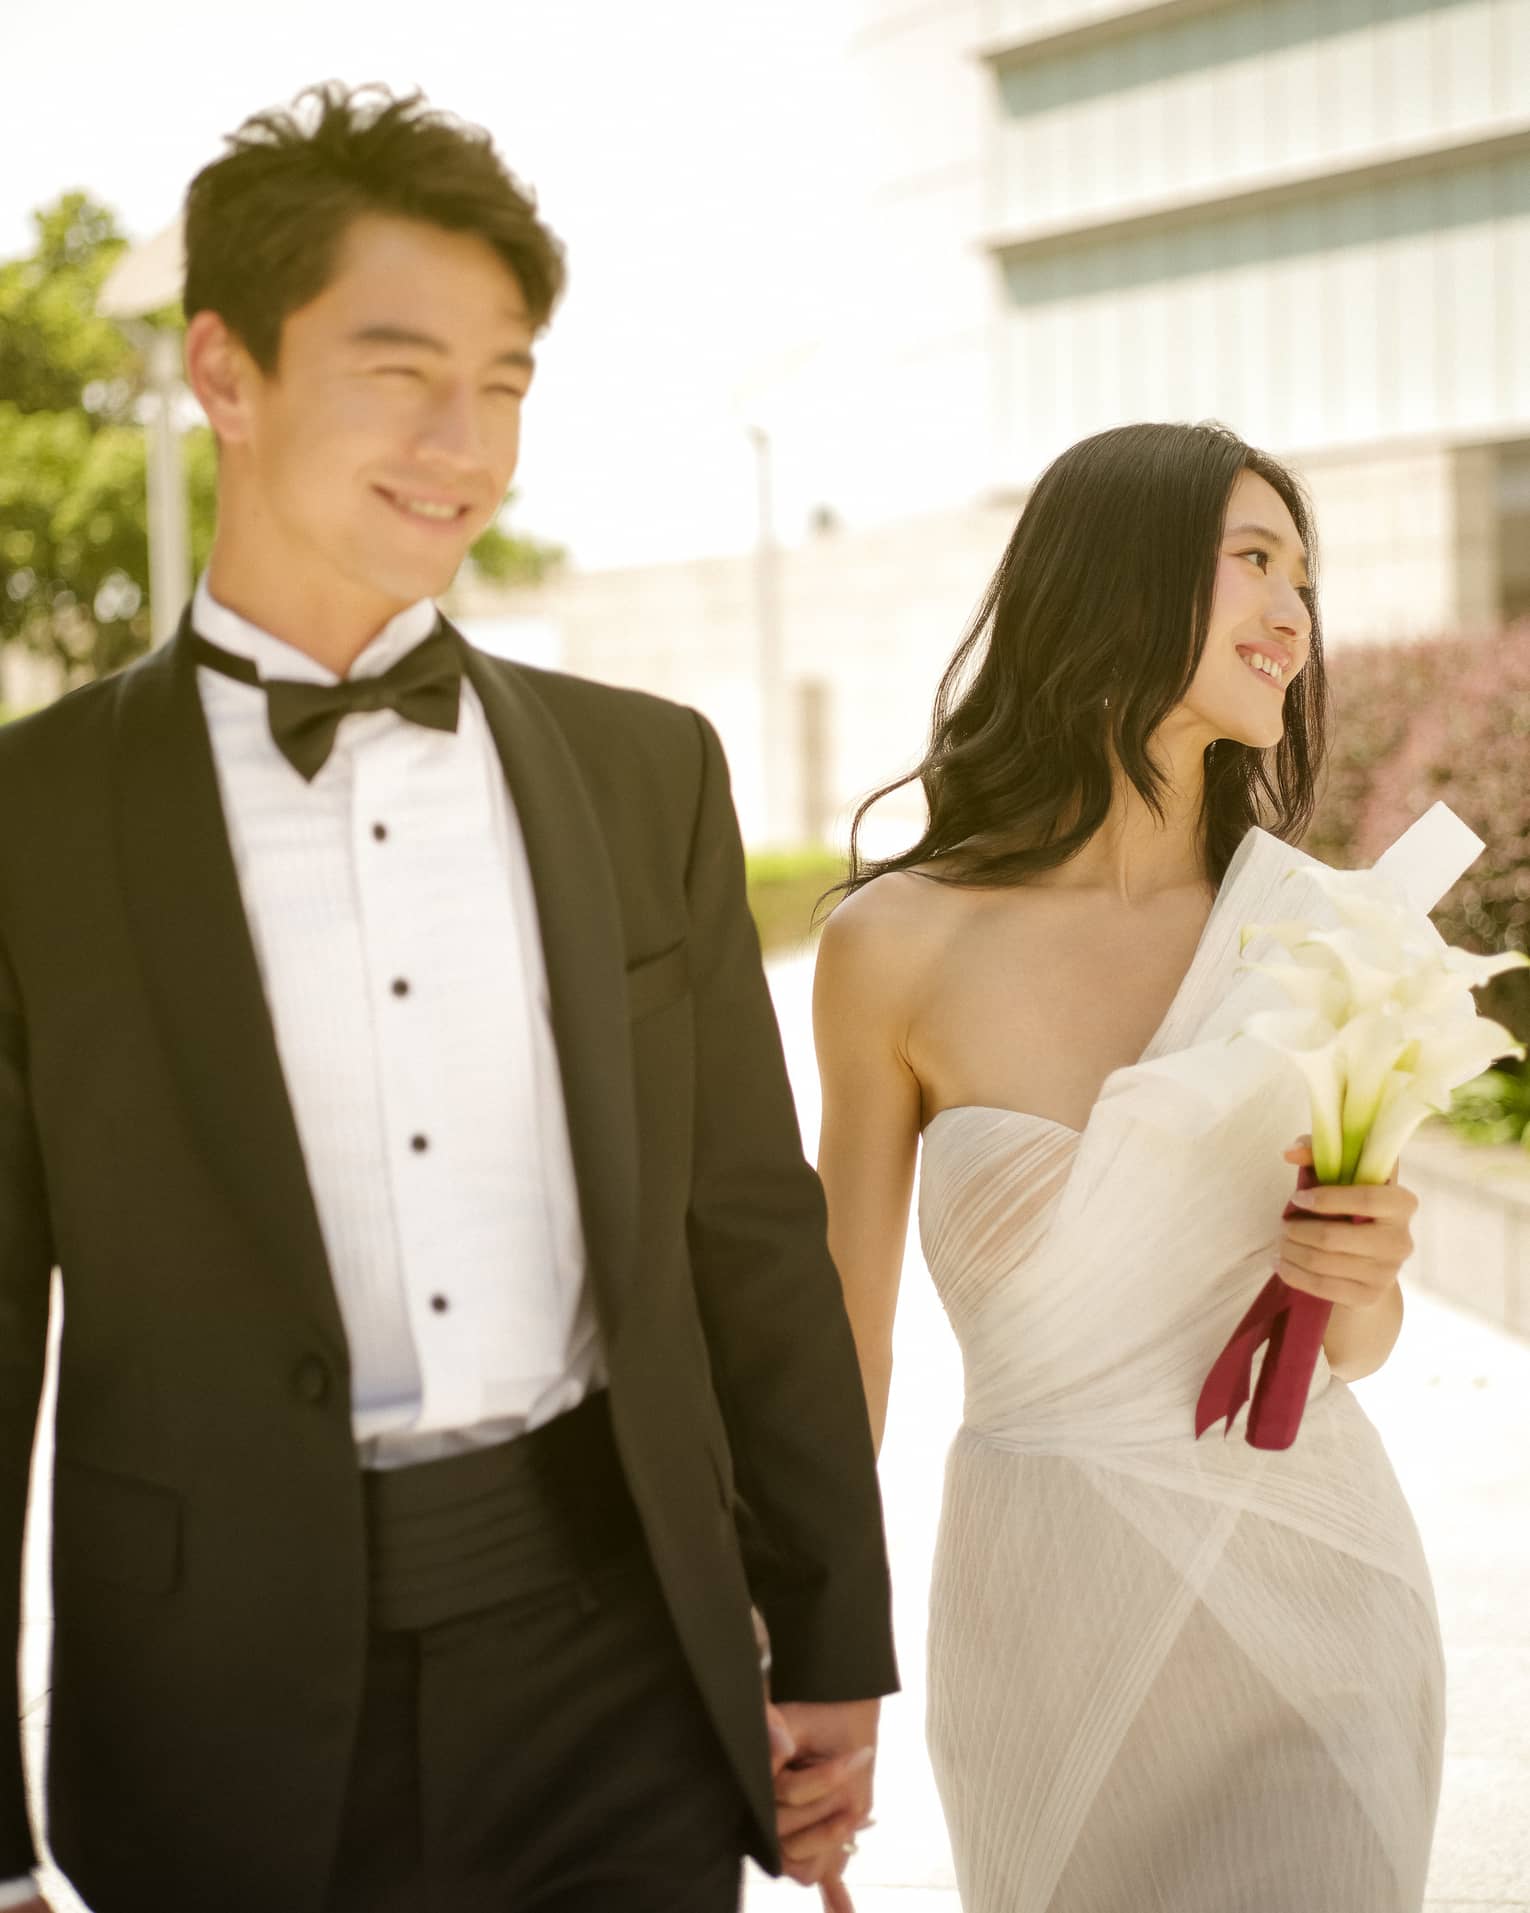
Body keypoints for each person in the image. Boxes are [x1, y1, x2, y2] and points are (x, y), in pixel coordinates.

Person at [0, 83, 896, 1913]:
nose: (462, 443)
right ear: (225, 371)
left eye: (502, 383)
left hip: (619, 1672)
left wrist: (828, 1637)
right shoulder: (34, 818)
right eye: (400, 370)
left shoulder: (647, 770)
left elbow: (748, 1227)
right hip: (212, 1709)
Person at [812, 422, 1446, 1911]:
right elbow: (842, 1347)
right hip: (1039, 1618)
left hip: (1316, 1600)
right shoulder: (893, 945)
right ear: (1114, 572)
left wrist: (1364, 1274)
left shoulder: (1324, 937)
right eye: (1253, 560)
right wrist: (808, 1647)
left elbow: (1351, 1344)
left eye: (1304, 577)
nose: (1293, 612)